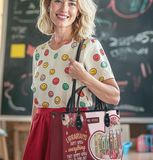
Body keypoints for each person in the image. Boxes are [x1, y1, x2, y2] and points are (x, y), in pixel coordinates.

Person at [23, 0, 120, 159]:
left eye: (72, 4)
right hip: (40, 130)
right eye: (58, 1)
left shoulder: (89, 46)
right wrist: (32, 135)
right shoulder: (39, 52)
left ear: (79, 11)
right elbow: (37, 100)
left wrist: (84, 77)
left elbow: (114, 96)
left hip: (74, 130)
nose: (64, 9)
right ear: (48, 5)